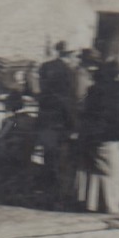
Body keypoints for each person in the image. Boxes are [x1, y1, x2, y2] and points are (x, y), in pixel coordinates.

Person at [76, 64, 119, 214]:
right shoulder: (117, 92)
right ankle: (112, 205)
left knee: (96, 170)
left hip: (94, 136)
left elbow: (86, 113)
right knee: (114, 172)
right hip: (112, 136)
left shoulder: (93, 91)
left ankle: (94, 203)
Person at [34, 42, 80, 209]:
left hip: (46, 123)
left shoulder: (45, 67)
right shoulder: (69, 73)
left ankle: (47, 197)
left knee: (48, 160)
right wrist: (74, 126)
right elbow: (68, 102)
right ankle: (59, 200)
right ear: (69, 55)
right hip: (61, 125)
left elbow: (41, 93)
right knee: (62, 163)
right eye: (75, 55)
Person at [0, 92, 37, 203]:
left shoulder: (10, 121)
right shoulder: (31, 119)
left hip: (12, 155)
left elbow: (0, 138)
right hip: (26, 154)